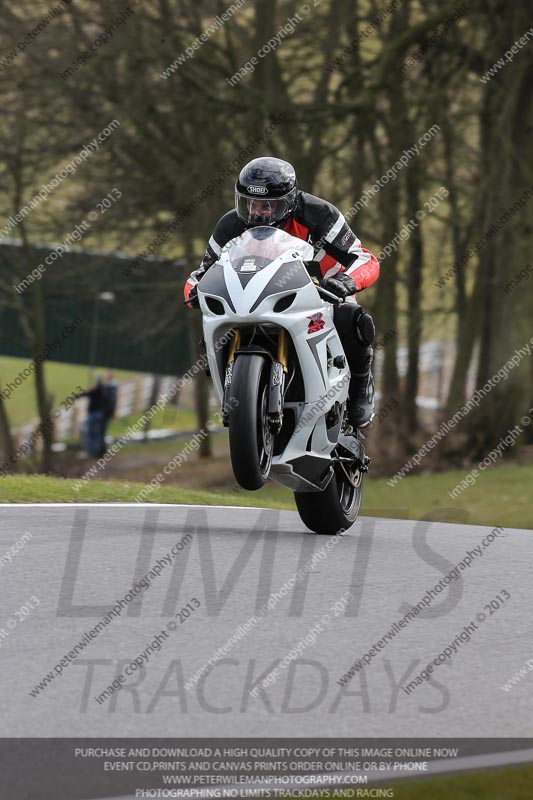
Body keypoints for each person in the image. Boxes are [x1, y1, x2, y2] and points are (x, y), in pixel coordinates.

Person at [184, 157, 379, 428]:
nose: (257, 212)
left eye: (268, 206)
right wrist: (194, 291)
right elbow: (201, 273)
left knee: (352, 318)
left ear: (289, 201)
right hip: (255, 296)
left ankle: (361, 386)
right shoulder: (230, 225)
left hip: (321, 292)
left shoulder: (319, 214)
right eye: (249, 203)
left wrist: (346, 282)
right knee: (212, 334)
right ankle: (238, 394)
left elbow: (365, 259)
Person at [79, 376, 110, 458]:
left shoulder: (94, 390)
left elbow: (84, 394)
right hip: (102, 414)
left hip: (93, 414)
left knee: (90, 434)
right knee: (99, 434)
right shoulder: (105, 391)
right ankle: (99, 452)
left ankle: (90, 452)